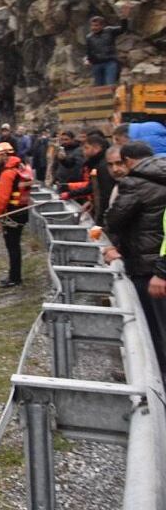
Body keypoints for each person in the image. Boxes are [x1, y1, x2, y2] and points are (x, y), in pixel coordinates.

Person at [100, 141, 166, 372]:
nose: (117, 169)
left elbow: (115, 220)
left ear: (128, 160)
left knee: (152, 329)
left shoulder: (135, 183)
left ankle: (156, 381)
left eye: (120, 163)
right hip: (155, 262)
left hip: (149, 269)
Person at [0, 141, 34, 288]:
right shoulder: (21, 168)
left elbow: (2, 198)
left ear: (3, 155)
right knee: (15, 246)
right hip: (21, 211)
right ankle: (15, 275)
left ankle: (14, 277)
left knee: (12, 246)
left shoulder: (8, 173)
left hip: (11, 213)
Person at [62, 131, 114, 225]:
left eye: (86, 148)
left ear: (97, 148)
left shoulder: (102, 166)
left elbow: (103, 192)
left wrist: (101, 217)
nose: (84, 151)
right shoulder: (95, 164)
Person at [85, 12, 129, 86]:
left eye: (96, 25)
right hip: (96, 64)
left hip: (110, 62)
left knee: (110, 84)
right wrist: (87, 59)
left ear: (102, 26)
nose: (94, 28)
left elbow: (123, 29)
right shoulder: (89, 37)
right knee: (99, 87)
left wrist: (124, 18)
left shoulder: (109, 31)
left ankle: (112, 96)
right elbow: (89, 51)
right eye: (92, 26)